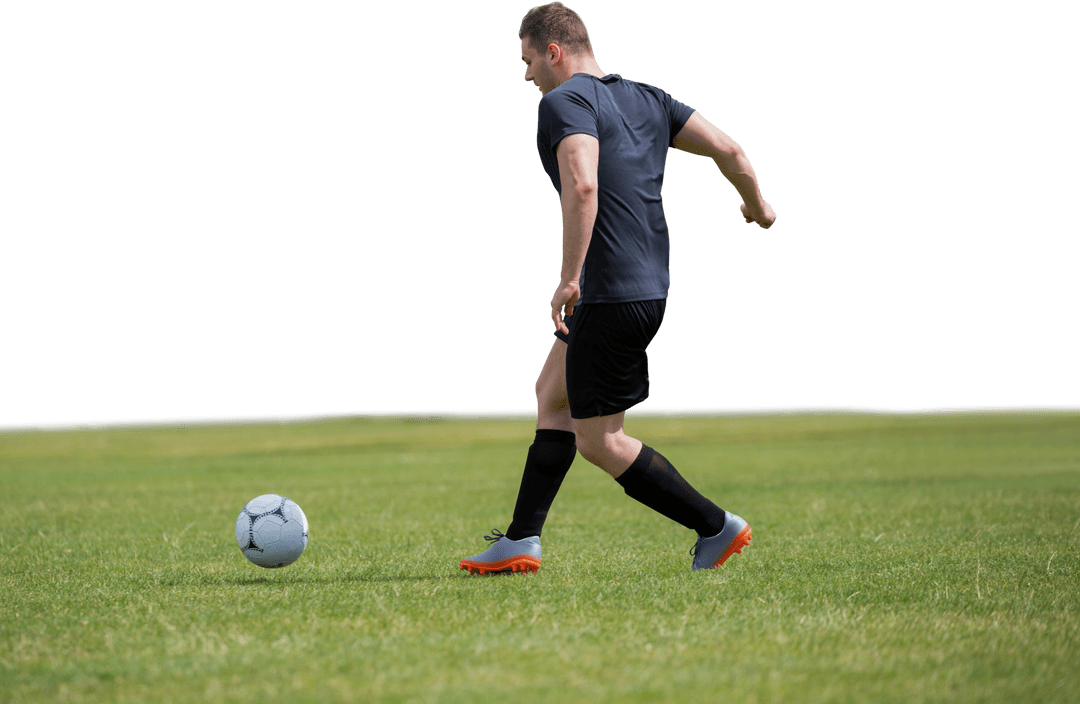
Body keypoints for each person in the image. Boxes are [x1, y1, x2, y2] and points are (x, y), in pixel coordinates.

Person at [460, 2, 776, 575]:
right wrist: (757, 204)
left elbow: (583, 187)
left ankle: (716, 526)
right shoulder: (650, 98)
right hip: (648, 286)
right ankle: (521, 539)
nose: (526, 74)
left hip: (606, 292)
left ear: (554, 52)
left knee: (601, 441)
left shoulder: (564, 102)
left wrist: (569, 279)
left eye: (528, 60)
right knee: (551, 394)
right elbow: (730, 151)